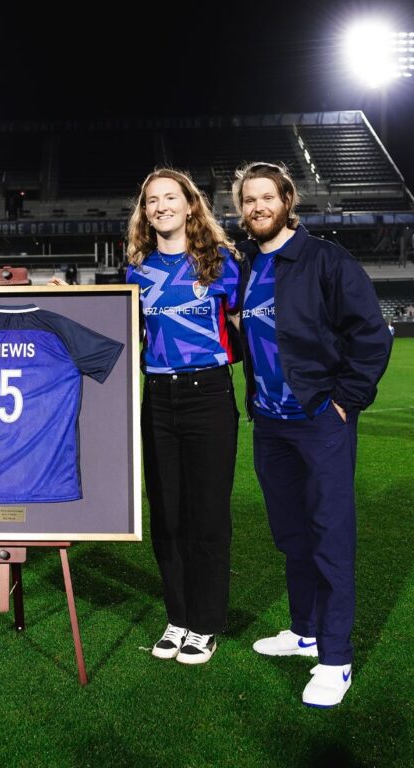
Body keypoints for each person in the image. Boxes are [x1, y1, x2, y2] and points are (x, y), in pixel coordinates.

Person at [233, 162, 392, 708]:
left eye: (265, 197)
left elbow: (371, 333)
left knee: (329, 535)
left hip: (319, 420)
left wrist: (346, 398)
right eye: (247, 200)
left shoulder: (325, 258)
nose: (256, 207)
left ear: (286, 199)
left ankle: (336, 658)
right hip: (271, 423)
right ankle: (304, 632)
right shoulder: (249, 264)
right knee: (292, 535)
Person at [126, 169, 241, 665]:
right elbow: (119, 333)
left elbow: (249, 325)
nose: (161, 206)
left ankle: (206, 623)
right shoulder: (137, 270)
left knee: (208, 516)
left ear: (191, 205)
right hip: (158, 396)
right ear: (145, 212)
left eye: (170, 197)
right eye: (152, 200)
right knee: (168, 515)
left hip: (209, 394)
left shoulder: (220, 264)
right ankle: (178, 617)